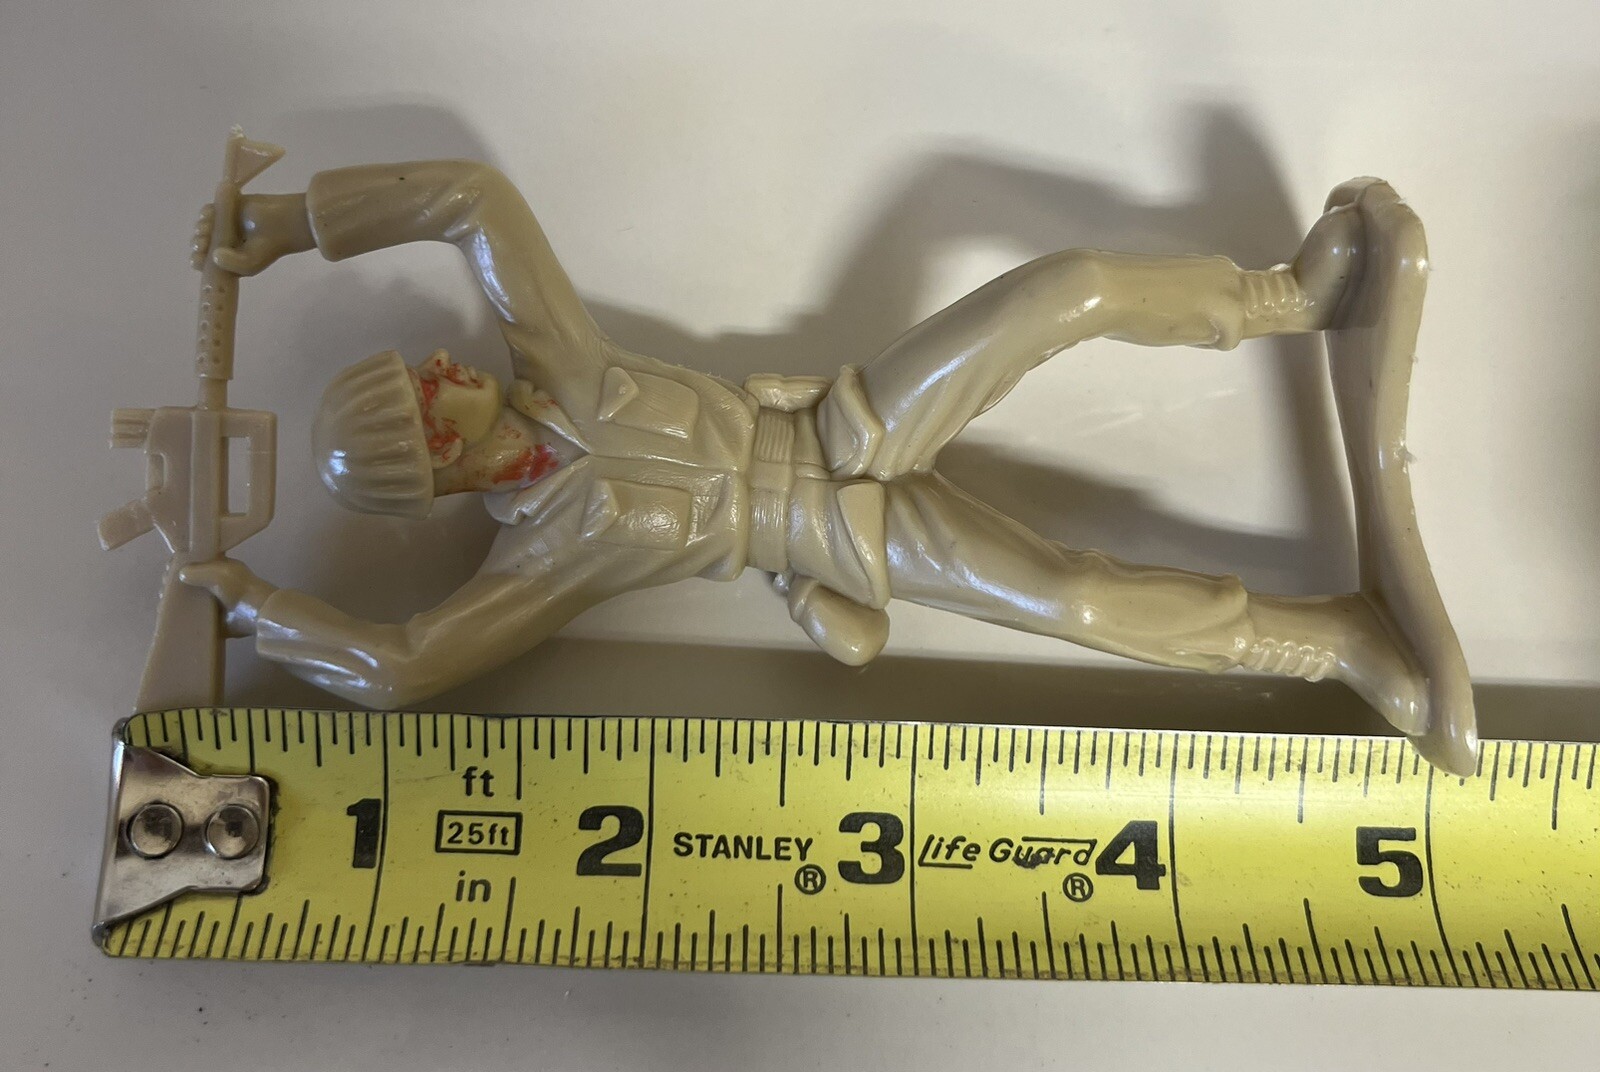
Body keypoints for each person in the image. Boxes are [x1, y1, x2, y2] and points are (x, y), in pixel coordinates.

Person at [181, 159, 1429, 736]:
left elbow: (473, 201)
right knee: (1073, 599)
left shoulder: (552, 360)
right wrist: (252, 606)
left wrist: (291, 222)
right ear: (428, 469)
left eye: (420, 369)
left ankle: (1292, 297)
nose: (444, 373)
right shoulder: (540, 563)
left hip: (850, 418)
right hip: (839, 536)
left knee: (1064, 288)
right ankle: (1333, 642)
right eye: (424, 402)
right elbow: (399, 664)